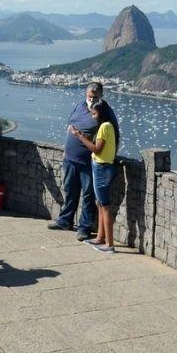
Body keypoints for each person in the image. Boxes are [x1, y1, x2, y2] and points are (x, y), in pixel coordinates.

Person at [48, 82, 119, 241]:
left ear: (101, 96)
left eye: (95, 97)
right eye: (89, 96)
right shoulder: (79, 105)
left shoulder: (104, 111)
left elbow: (113, 135)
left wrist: (108, 159)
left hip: (89, 162)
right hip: (71, 159)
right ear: (85, 94)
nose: (91, 99)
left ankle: (84, 228)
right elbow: (71, 124)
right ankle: (65, 220)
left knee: (88, 195)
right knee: (70, 190)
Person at [69, 100, 119, 253]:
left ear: (102, 113)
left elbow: (96, 149)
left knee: (104, 206)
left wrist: (80, 136)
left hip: (102, 168)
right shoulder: (110, 126)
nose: (93, 117)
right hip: (104, 167)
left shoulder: (104, 127)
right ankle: (100, 238)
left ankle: (109, 245)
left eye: (95, 113)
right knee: (100, 204)